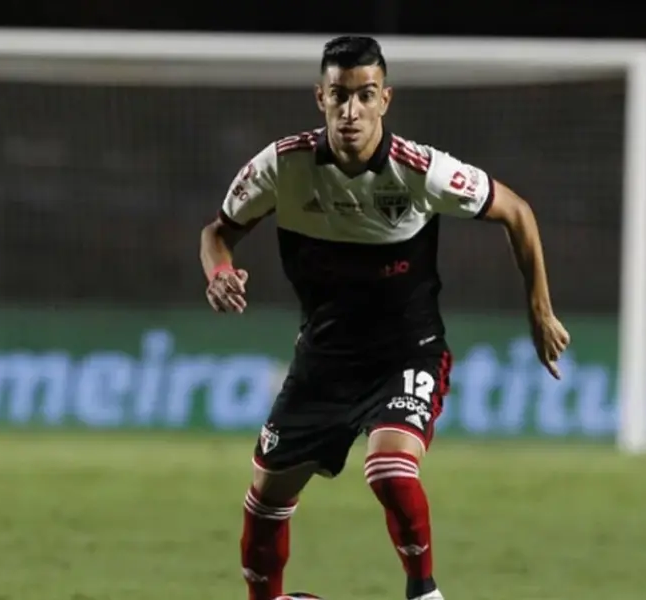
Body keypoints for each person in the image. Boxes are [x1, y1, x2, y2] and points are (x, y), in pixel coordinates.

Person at [199, 36, 570, 600]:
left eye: (364, 96)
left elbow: (517, 213)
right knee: (266, 497)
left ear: (385, 99)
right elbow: (217, 232)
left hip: (406, 353)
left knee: (390, 469)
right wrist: (219, 271)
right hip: (324, 361)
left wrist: (540, 311)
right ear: (319, 97)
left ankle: (424, 592)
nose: (351, 111)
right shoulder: (282, 166)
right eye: (339, 96)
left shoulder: (421, 171)